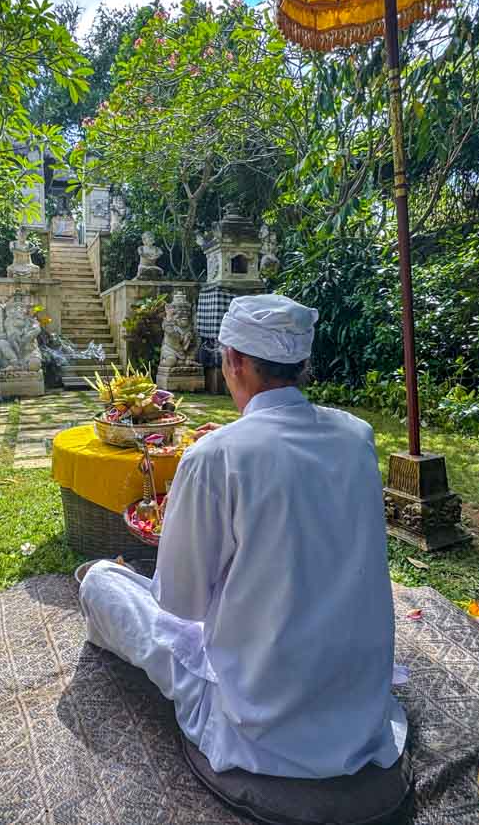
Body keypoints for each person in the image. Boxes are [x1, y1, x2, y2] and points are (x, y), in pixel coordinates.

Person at [79, 294, 408, 778]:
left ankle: (107, 578)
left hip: (258, 719)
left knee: (102, 584)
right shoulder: (356, 436)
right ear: (301, 363)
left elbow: (181, 604)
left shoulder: (214, 458)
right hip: (356, 704)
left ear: (233, 360)